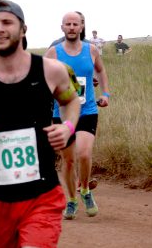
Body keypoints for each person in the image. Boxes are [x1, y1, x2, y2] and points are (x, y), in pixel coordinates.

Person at [0, 0, 81, 247]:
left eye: (7, 22)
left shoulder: (50, 70)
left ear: (23, 29)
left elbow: (71, 102)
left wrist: (68, 128)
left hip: (42, 195)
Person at [45, 12, 111, 220]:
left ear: (82, 27)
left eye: (75, 24)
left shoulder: (91, 50)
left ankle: (85, 190)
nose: (72, 27)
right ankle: (72, 199)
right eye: (68, 24)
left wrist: (106, 94)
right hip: (61, 113)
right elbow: (41, 77)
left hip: (88, 110)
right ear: (62, 27)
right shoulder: (53, 53)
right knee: (69, 160)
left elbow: (100, 71)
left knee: (83, 154)